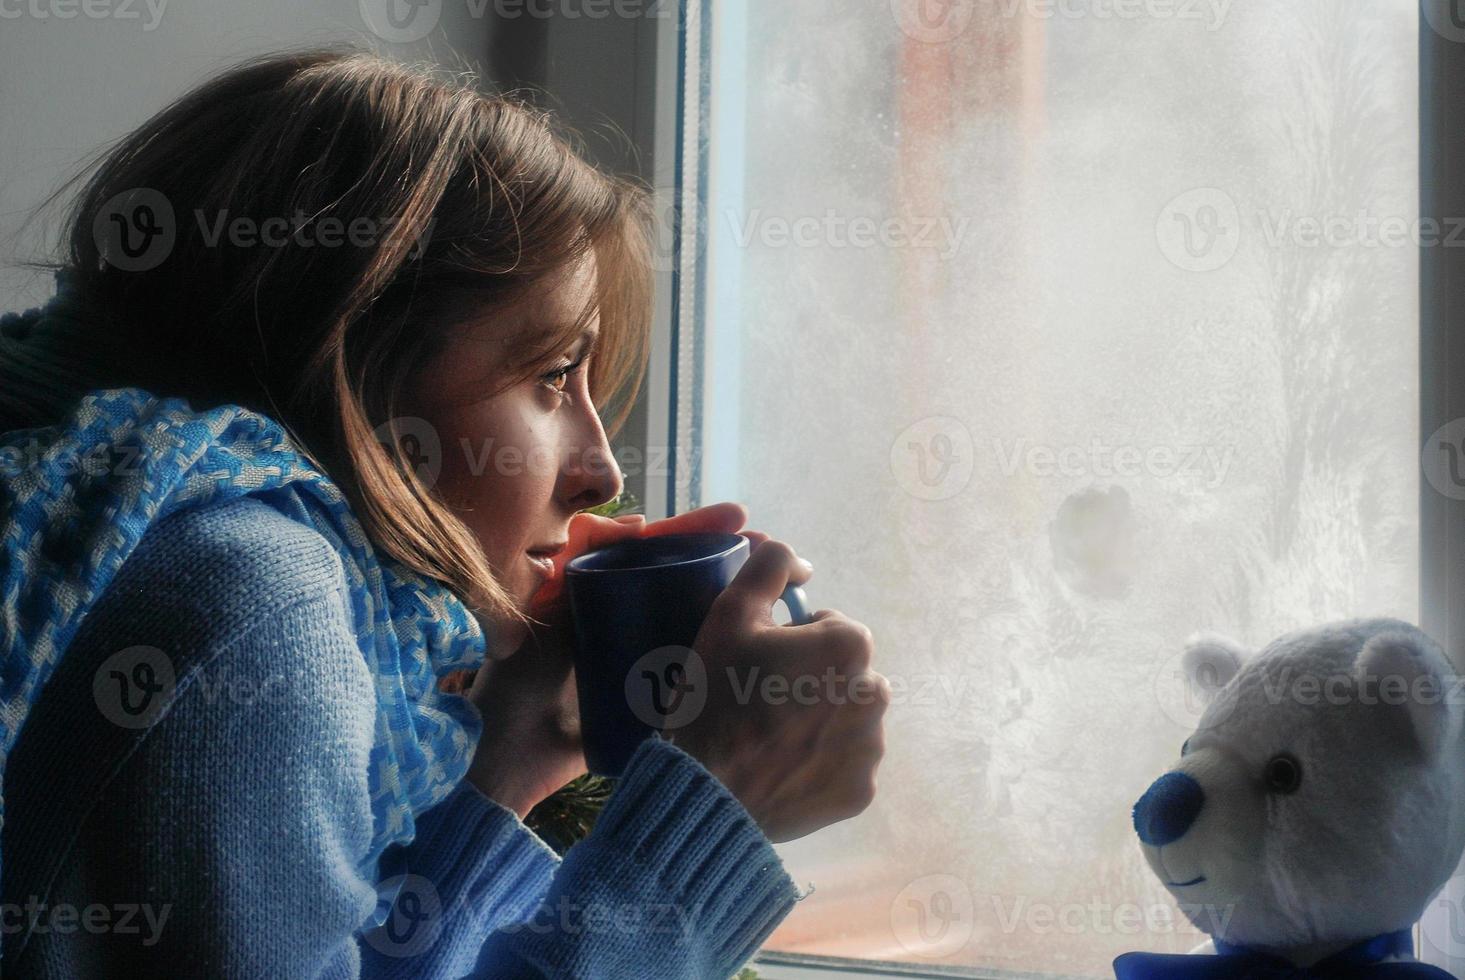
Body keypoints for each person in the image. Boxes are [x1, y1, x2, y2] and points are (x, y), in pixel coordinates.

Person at [0, 46, 888, 978]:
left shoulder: (117, 513)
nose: (596, 472)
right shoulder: (246, 595)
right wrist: (710, 816)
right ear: (355, 365)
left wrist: (512, 752)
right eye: (552, 376)